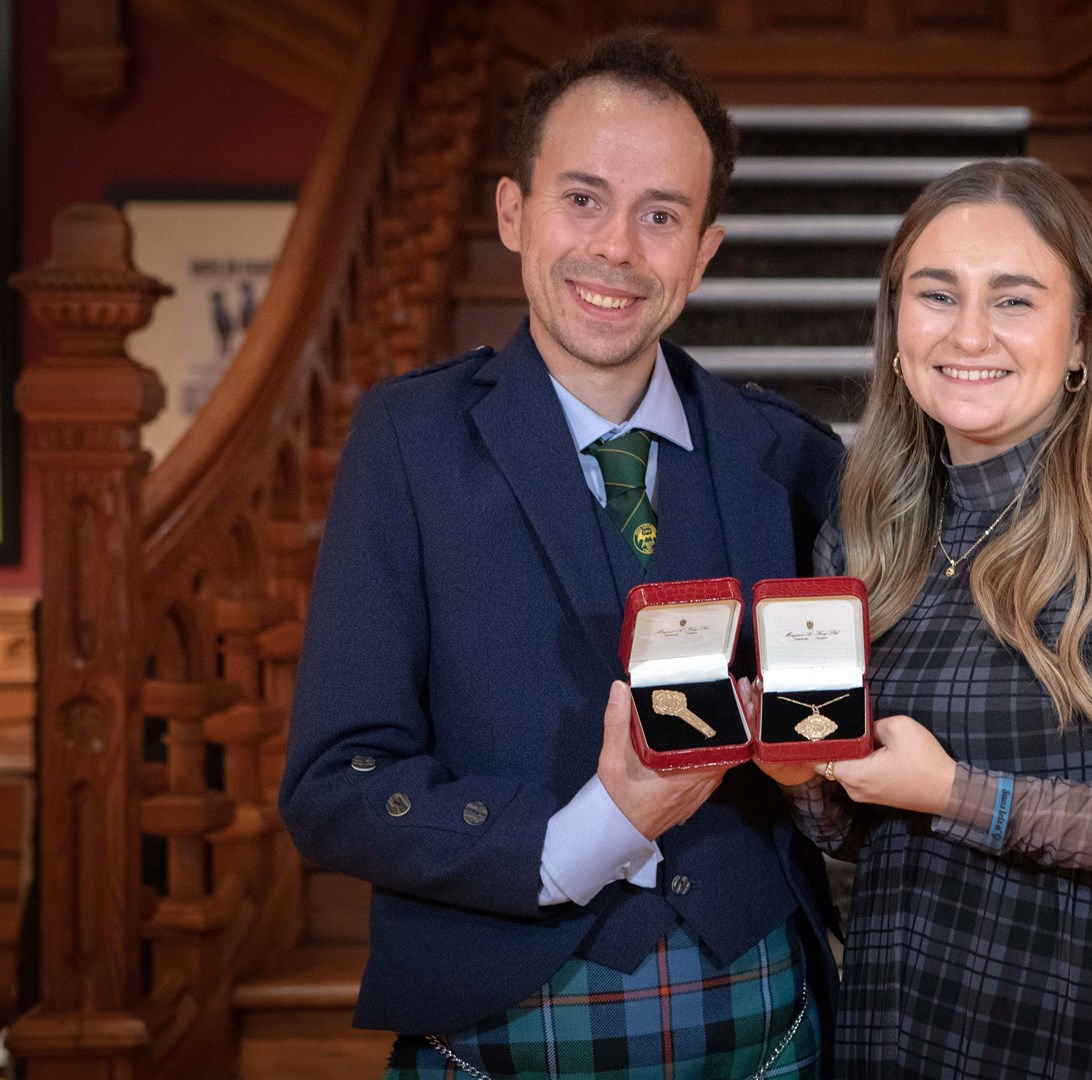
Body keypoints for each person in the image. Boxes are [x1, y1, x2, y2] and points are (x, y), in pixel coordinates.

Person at [280, 30, 841, 1079]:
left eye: (661, 215)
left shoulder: (791, 455)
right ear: (513, 213)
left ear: (705, 250)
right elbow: (332, 788)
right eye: (583, 198)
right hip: (501, 1030)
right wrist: (592, 830)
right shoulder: (407, 445)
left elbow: (831, 746)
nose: (618, 249)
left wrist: (815, 775)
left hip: (768, 1023)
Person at [762, 159, 1092, 1078]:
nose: (968, 333)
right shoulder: (860, 536)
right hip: (907, 1015)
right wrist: (802, 775)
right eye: (937, 294)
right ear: (895, 331)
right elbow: (856, 829)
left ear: (1079, 337)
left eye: (1013, 300)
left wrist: (964, 794)